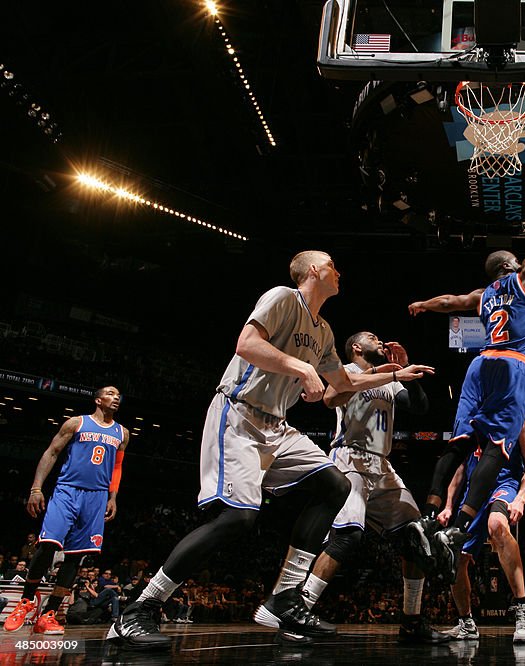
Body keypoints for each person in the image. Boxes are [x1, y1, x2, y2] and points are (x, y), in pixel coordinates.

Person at [108, 251, 434, 649]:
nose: (339, 271)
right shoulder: (282, 297)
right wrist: (301, 368)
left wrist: (398, 373)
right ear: (314, 271)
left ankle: (285, 596)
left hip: (277, 427)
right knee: (238, 519)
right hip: (239, 415)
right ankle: (141, 608)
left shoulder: (325, 332)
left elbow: (338, 387)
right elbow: (246, 344)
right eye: (332, 264)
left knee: (334, 485)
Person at [406, 155, 525, 580]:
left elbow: (449, 303)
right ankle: (461, 525)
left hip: (478, 365)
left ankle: (430, 517)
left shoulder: (484, 295)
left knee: (460, 441)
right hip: (513, 366)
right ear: (512, 264)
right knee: (499, 448)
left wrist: (422, 305)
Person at [284, 331, 445, 644]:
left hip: (382, 466)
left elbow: (419, 407)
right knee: (347, 536)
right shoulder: (348, 371)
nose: (380, 339)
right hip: (350, 457)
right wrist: (384, 372)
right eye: (372, 336)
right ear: (357, 347)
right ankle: (297, 613)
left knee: (417, 537)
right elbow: (331, 397)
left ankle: (411, 622)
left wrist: (405, 369)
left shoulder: (389, 378)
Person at [4, 386, 128, 636]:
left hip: (96, 497)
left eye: (118, 395)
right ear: (98, 399)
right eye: (111, 394)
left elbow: (117, 468)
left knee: (75, 557)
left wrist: (112, 497)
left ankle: (49, 614)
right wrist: (36, 488)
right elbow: (52, 452)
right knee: (48, 544)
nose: (116, 398)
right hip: (67, 490)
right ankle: (26, 601)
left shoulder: (122, 433)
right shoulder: (76, 423)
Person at [439, 412, 525, 643]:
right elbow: (460, 466)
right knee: (455, 556)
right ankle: (466, 623)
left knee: (496, 524)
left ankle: (523, 609)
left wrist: (521, 498)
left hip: (504, 484)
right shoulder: (469, 410)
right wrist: (448, 505)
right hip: (474, 493)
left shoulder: (521, 410)